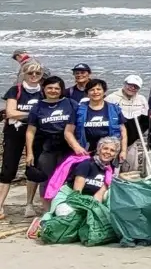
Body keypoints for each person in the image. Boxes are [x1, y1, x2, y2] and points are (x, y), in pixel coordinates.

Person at [25, 76, 77, 208]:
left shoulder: (71, 104)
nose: (53, 90)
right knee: (46, 179)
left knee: (68, 178)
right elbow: (30, 131)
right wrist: (29, 153)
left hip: (68, 146)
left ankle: (65, 208)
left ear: (61, 90)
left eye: (56, 88)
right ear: (44, 89)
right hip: (47, 147)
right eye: (50, 88)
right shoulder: (37, 107)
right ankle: (47, 210)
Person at [1, 60, 44, 219]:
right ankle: (0, 205)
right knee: (8, 169)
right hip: (15, 133)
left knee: (32, 168)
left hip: (36, 134)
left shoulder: (43, 92)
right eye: (30, 73)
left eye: (37, 73)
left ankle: (29, 205)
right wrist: (34, 114)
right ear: (24, 74)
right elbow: (11, 112)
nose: (33, 76)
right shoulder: (15, 90)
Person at [105, 75, 148, 173]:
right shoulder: (111, 98)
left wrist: (136, 135)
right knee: (111, 168)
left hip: (132, 141)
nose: (132, 88)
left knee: (131, 168)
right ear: (124, 84)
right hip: (114, 139)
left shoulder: (141, 99)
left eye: (136, 87)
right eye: (130, 85)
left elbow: (145, 121)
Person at [74, 79, 126, 157]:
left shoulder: (114, 109)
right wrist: (76, 147)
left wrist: (123, 151)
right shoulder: (78, 109)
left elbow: (123, 131)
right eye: (92, 90)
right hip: (85, 150)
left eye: (98, 89)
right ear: (87, 93)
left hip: (109, 152)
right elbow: (68, 132)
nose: (95, 92)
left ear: (104, 91)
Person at [69, 136, 119, 202]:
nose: (108, 152)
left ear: (115, 155)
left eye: (112, 150)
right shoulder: (86, 164)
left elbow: (99, 195)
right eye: (105, 148)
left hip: (90, 199)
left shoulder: (109, 171)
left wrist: (95, 208)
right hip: (72, 196)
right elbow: (77, 192)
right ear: (99, 150)